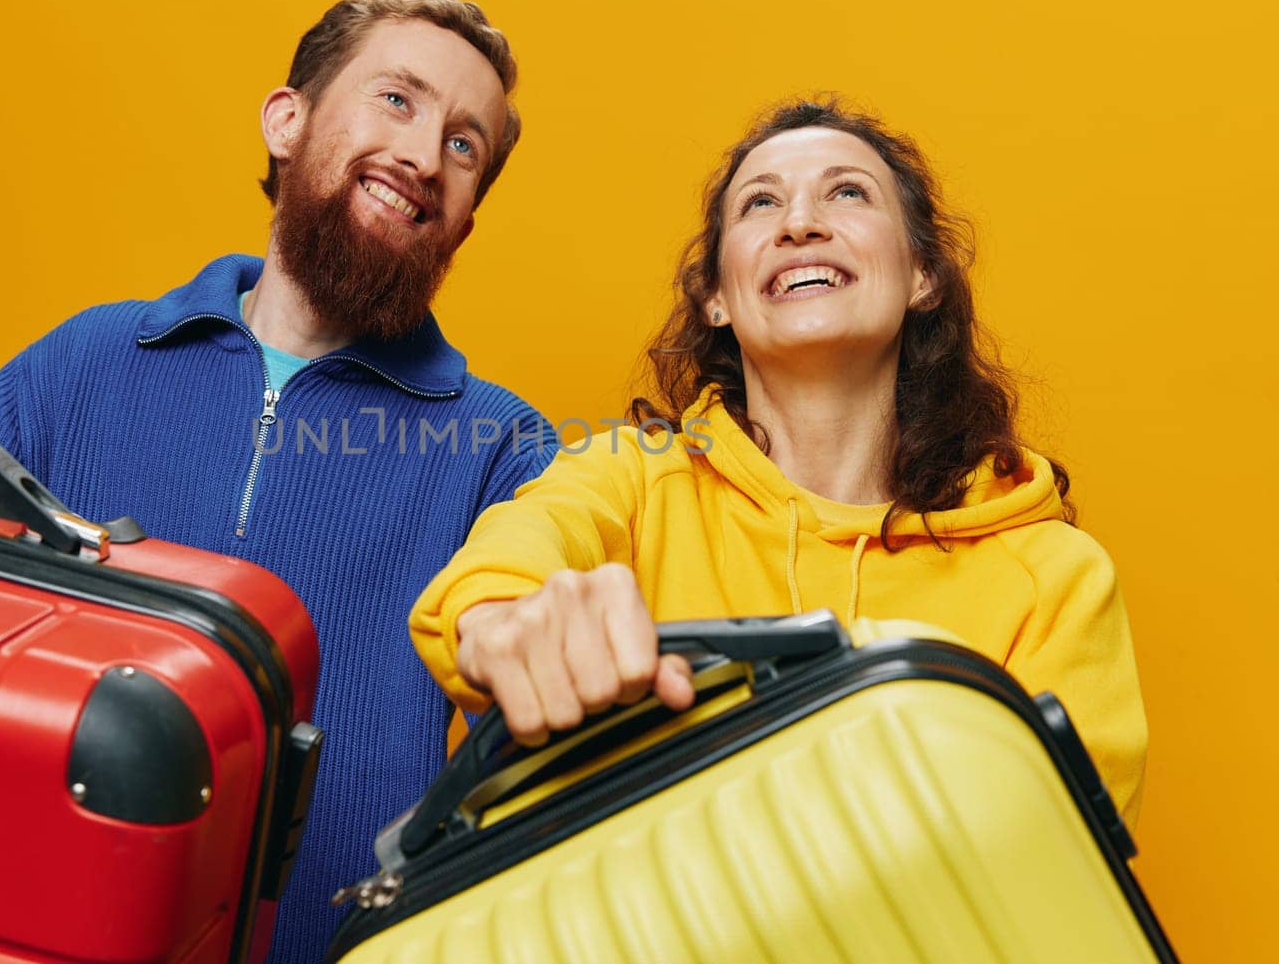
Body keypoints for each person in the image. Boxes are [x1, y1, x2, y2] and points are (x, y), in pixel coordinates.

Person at [0, 0, 556, 961]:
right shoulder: (84, 360)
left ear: (463, 223)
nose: (425, 156)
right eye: (396, 99)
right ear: (285, 122)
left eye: (465, 146)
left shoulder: (505, 451)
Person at [410, 99, 1147, 828]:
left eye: (848, 193)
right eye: (762, 203)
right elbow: (501, 569)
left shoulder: (1052, 576)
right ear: (717, 298)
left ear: (923, 274)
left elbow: (1053, 862)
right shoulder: (630, 480)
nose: (800, 224)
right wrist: (507, 625)